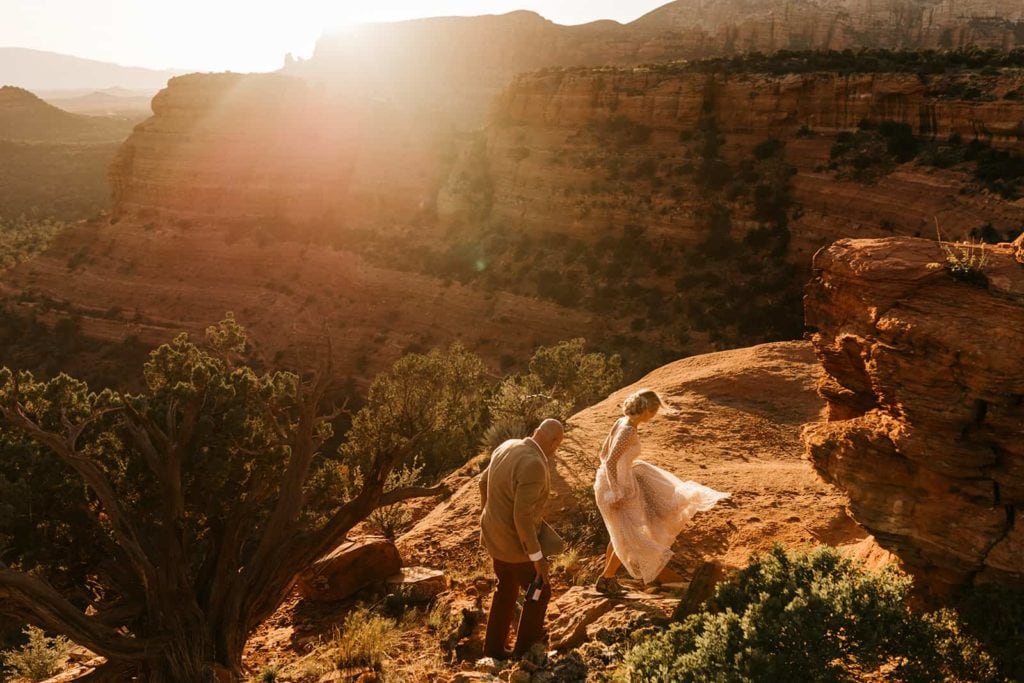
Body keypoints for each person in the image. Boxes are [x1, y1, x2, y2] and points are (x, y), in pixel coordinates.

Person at [593, 389, 729, 593]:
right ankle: (606, 578)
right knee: (627, 537)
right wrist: (616, 490)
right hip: (619, 488)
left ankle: (607, 579)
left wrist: (628, 468)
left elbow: (602, 454)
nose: (655, 414)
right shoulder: (628, 430)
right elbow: (611, 460)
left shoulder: (622, 421)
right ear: (648, 410)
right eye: (655, 410)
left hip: (617, 482)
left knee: (620, 534)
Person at [479, 418, 564, 659]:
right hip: (517, 546)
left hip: (494, 538)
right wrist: (537, 557)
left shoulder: (507, 445)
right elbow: (522, 517)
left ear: (536, 431)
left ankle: (493, 650)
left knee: (505, 589)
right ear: (555, 442)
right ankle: (524, 653)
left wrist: (487, 516)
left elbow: (482, 481)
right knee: (540, 591)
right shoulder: (535, 464)